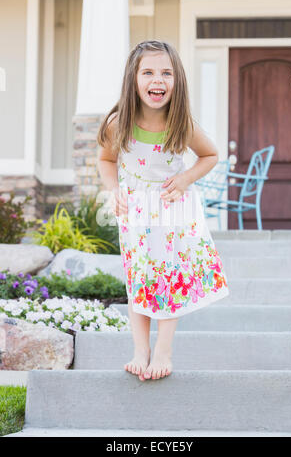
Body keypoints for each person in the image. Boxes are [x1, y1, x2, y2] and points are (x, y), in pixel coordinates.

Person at [97, 40, 229, 382]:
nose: (158, 80)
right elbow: (106, 160)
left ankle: (164, 350)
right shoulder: (118, 123)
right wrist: (114, 191)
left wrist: (185, 179)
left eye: (166, 73)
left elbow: (210, 155)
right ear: (133, 79)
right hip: (136, 215)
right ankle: (140, 350)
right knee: (140, 280)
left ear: (177, 80)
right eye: (149, 72)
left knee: (169, 279)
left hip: (173, 212)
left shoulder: (180, 123)